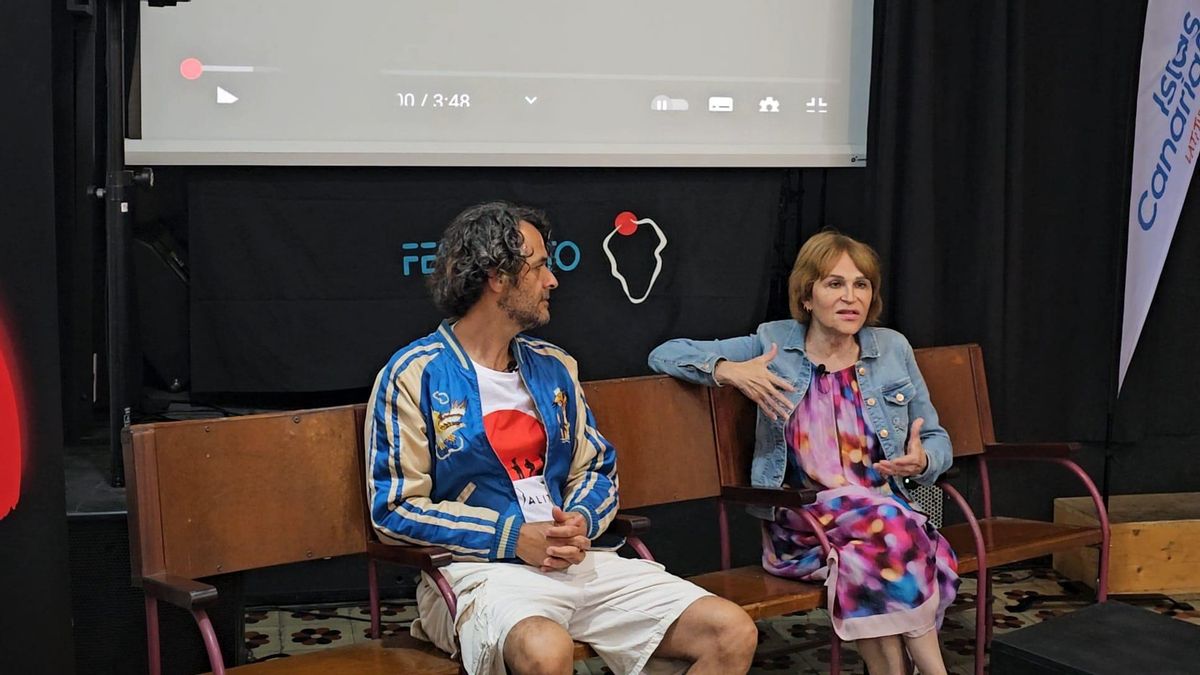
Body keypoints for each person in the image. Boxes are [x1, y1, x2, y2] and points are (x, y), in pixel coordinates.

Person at [365, 202, 758, 675]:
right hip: (476, 572)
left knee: (730, 632)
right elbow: (395, 508)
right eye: (539, 267)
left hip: (577, 560)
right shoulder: (415, 374)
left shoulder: (554, 366)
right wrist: (512, 537)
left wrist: (580, 522)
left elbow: (596, 469)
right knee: (544, 651)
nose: (553, 280)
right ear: (496, 276)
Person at [648, 230, 959, 675]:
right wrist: (729, 370)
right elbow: (665, 354)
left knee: (875, 547)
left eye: (861, 285)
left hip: (883, 528)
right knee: (892, 529)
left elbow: (937, 440)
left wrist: (924, 460)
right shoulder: (773, 344)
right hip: (805, 524)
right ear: (807, 295)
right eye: (834, 284)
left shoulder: (892, 348)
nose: (851, 297)